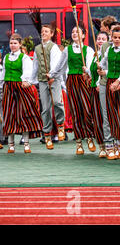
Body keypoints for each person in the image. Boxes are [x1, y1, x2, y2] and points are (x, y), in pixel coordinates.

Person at [48, 23, 96, 155]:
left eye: (78, 32)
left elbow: (91, 66)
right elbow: (60, 66)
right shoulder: (67, 50)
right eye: (73, 32)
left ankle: (90, 137)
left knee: (87, 109)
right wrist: (51, 74)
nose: (75, 33)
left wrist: (88, 71)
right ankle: (79, 142)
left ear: (84, 35)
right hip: (72, 81)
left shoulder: (88, 50)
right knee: (75, 110)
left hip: (84, 80)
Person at [1, 33, 43, 153]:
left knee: (23, 114)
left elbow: (28, 72)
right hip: (8, 87)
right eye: (11, 43)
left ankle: (26, 144)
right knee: (9, 115)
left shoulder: (24, 58)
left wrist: (25, 80)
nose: (12, 45)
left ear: (20, 44)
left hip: (20, 88)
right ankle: (11, 145)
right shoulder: (6, 57)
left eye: (15, 43)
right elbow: (3, 73)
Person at [31, 23, 65, 149]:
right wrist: (31, 80)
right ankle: (47, 135)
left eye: (46, 31)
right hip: (42, 80)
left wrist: (52, 75)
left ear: (51, 34)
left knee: (56, 102)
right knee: (45, 108)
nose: (43, 33)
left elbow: (56, 64)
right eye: (42, 31)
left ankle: (61, 125)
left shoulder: (54, 47)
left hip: (53, 79)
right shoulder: (37, 48)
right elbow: (35, 65)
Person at [99, 25, 120, 160]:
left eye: (119, 38)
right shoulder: (109, 49)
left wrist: (118, 81)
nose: (116, 40)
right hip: (109, 83)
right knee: (110, 114)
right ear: (111, 37)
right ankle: (110, 145)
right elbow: (103, 63)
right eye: (114, 37)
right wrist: (99, 68)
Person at [85, 31, 108, 158]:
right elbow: (93, 71)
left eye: (103, 39)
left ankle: (111, 143)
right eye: (98, 38)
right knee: (97, 118)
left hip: (103, 88)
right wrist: (87, 71)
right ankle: (102, 146)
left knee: (105, 117)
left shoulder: (107, 53)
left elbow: (104, 71)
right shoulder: (95, 55)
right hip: (93, 89)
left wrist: (100, 83)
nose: (99, 41)